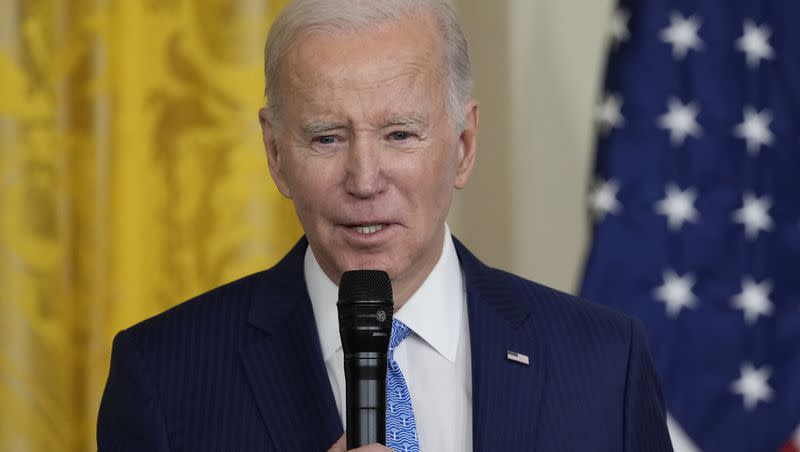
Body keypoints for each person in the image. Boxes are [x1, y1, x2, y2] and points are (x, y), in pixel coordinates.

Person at [97, 0, 675, 451]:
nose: (365, 179)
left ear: (464, 146)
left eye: (400, 134)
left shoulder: (603, 365)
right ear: (275, 154)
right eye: (327, 137)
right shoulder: (164, 375)